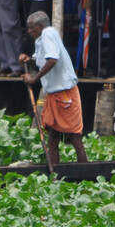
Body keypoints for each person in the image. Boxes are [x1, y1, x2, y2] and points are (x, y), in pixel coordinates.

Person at [20, 11, 87, 164]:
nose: (29, 32)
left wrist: (34, 79)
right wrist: (27, 59)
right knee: (53, 137)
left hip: (65, 93)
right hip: (53, 94)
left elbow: (52, 60)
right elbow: (40, 61)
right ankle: (54, 173)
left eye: (32, 28)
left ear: (41, 26)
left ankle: (85, 172)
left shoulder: (48, 33)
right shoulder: (39, 40)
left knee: (74, 137)